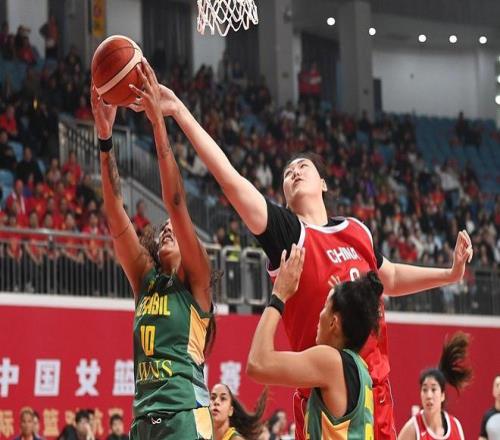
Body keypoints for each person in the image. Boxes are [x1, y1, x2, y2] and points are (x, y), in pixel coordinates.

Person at [129, 78, 474, 440]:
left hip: (375, 391)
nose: (294, 171)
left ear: (324, 182)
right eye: (287, 173)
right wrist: (179, 112)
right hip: (324, 392)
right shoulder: (289, 234)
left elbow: (391, 278)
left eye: (303, 166)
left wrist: (449, 274)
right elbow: (231, 181)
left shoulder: (357, 230)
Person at [93, 59, 215, 439]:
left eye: (172, 230)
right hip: (143, 420)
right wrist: (105, 139)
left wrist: (158, 124)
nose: (166, 230)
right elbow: (115, 212)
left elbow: (175, 203)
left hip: (185, 416)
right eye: (162, 229)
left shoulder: (197, 280)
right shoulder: (145, 280)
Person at [247, 245, 383, 439]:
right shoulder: (360, 368)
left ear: (334, 322)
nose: (319, 314)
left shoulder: (330, 362)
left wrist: (278, 297)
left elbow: (257, 364)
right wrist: (340, 299)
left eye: (324, 307)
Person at [397, 332, 472, 440]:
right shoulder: (413, 428)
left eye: (433, 389)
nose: (429, 395)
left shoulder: (455, 426)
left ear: (442, 395)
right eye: (424, 390)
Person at [479, 376, 500, 440]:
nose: (499, 389)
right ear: (493, 390)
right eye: (497, 385)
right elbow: (482, 437)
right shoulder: (487, 416)